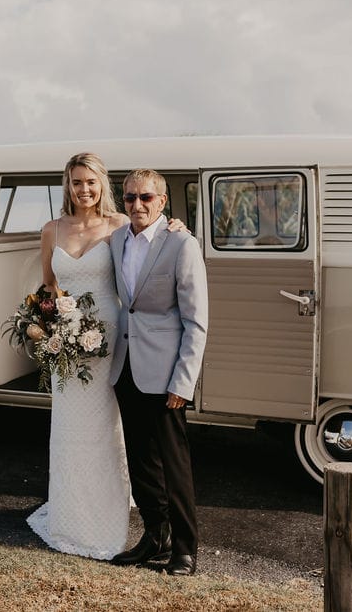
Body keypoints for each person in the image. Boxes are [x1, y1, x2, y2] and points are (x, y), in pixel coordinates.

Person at [26, 153, 187, 560]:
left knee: (110, 431)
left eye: (91, 182)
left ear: (103, 186)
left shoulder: (118, 224)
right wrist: (47, 325)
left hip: (112, 340)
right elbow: (49, 287)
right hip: (67, 344)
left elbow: (156, 241)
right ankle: (70, 516)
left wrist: (177, 226)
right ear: (68, 185)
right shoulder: (51, 230)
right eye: (76, 182)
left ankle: (110, 516)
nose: (84, 190)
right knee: (69, 429)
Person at [107, 168, 208, 577]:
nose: (137, 205)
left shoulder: (182, 244)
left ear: (163, 202)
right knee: (141, 459)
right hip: (126, 365)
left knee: (173, 464)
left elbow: (196, 320)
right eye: (130, 198)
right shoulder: (116, 239)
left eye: (146, 197)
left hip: (166, 374)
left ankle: (185, 549)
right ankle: (155, 535)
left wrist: (184, 381)